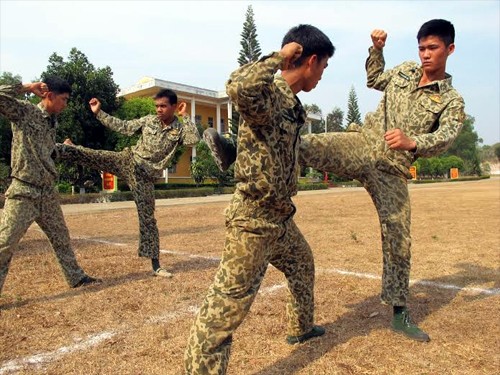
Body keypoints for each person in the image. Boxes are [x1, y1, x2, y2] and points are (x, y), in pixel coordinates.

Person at [203, 19, 465, 343]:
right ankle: (237, 150)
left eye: (433, 48)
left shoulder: (451, 100)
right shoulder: (406, 71)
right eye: (421, 47)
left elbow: (446, 136)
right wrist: (377, 52)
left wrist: (415, 142)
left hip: (392, 167)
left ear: (449, 49)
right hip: (364, 143)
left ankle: (399, 312)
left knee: (399, 235)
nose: (425, 54)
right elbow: (374, 79)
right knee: (302, 142)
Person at [184, 24, 335, 374]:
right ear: (311, 60)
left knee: (302, 264)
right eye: (324, 67)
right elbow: (238, 85)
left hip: (280, 219)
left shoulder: (293, 105)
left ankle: (301, 327)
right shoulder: (270, 94)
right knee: (224, 311)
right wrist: (280, 57)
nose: (323, 76)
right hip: (253, 222)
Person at [57, 89, 200, 278]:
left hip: (145, 177)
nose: (159, 109)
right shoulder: (148, 120)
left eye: (163, 106)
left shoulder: (180, 130)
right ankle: (65, 149)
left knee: (148, 219)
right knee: (98, 156)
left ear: (174, 106)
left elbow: (193, 140)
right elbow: (123, 127)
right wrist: (98, 112)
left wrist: (186, 117)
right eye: (157, 106)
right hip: (129, 160)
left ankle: (156, 265)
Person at [0, 76, 100, 296]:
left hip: (47, 192)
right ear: (49, 95)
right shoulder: (25, 112)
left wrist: (64, 149)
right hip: (24, 190)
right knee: (4, 244)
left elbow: (46, 151)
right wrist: (26, 86)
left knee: (61, 237)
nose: (65, 104)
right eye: (63, 99)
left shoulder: (52, 121)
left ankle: (75, 277)